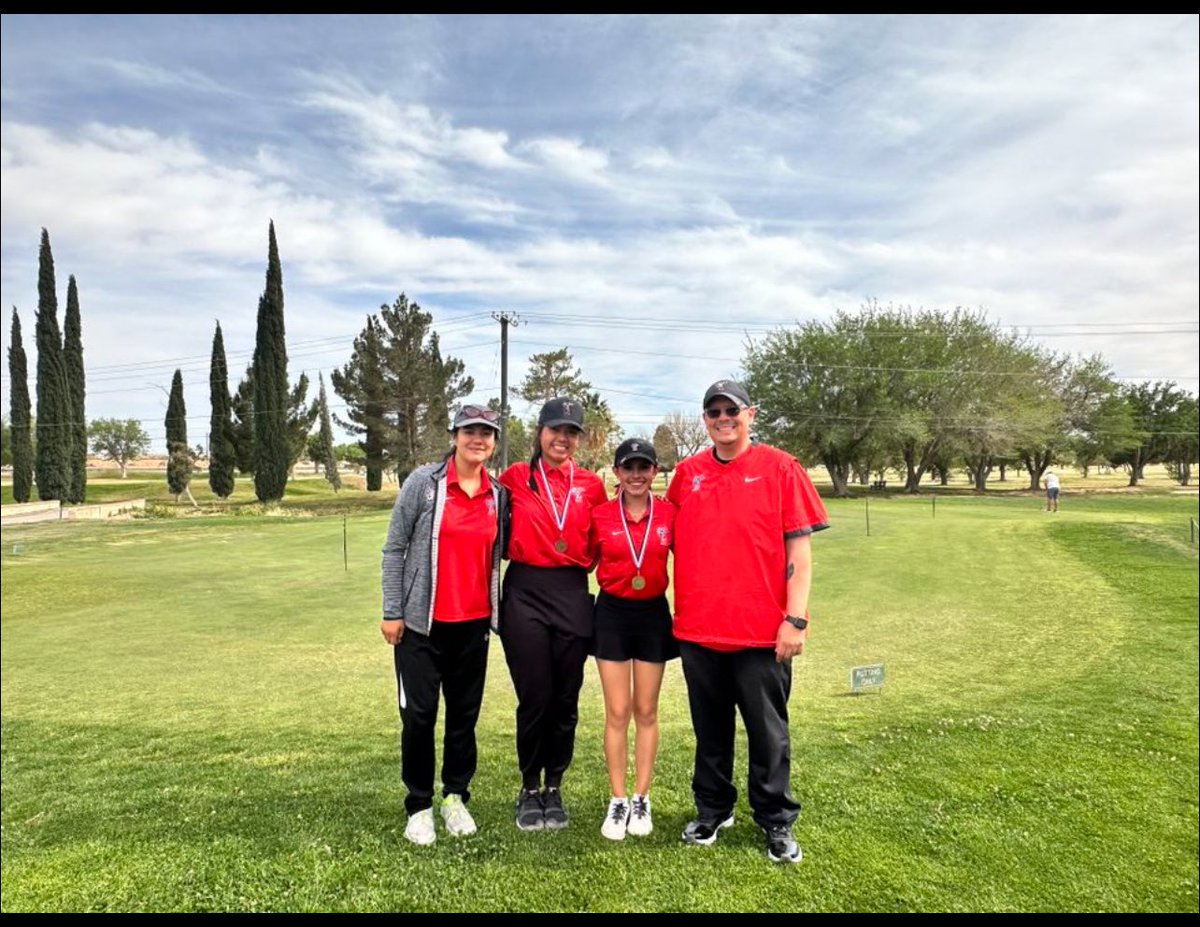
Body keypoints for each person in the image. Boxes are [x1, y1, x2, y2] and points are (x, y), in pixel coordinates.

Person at [666, 379, 829, 865]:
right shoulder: (686, 474)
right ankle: (713, 810)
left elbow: (800, 549)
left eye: (731, 409)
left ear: (750, 414)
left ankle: (776, 820)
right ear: (705, 420)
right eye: (713, 411)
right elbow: (661, 535)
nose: (723, 418)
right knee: (709, 730)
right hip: (699, 629)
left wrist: (795, 619)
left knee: (768, 733)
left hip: (762, 632)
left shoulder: (781, 468)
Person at [381, 404, 509, 846]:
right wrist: (392, 611)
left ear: (494, 442)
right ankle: (419, 804)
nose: (479, 439)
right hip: (420, 626)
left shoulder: (498, 493)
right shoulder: (425, 484)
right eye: (471, 430)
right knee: (418, 717)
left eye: (487, 433)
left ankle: (455, 797)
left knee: (463, 718)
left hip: (472, 626)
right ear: (455, 435)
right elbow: (393, 548)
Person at [499, 397, 609, 832]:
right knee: (536, 696)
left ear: (578, 439)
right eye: (555, 429)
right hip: (524, 591)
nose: (562, 438)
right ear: (539, 432)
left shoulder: (592, 485)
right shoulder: (512, 479)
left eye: (571, 432)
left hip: (571, 590)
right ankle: (529, 786)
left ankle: (555, 784)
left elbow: (604, 542)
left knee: (566, 698)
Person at [588, 438, 678, 840]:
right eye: (629, 468)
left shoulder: (671, 514)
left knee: (646, 710)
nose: (637, 475)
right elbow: (582, 560)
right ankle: (618, 799)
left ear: (655, 472)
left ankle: (642, 798)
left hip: (653, 614)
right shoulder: (600, 515)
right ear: (617, 472)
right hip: (610, 614)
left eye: (644, 467)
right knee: (617, 712)